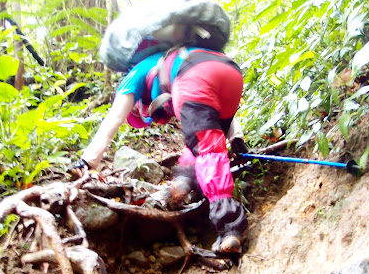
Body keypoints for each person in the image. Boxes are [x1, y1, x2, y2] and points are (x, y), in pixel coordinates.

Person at [72, 44, 248, 254]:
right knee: (203, 139)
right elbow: (212, 103)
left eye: (139, 111)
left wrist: (88, 161)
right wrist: (236, 139)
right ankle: (183, 182)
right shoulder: (170, 59)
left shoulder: (136, 73)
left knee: (207, 149)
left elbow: (115, 117)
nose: (144, 113)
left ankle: (230, 227)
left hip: (193, 75)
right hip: (230, 72)